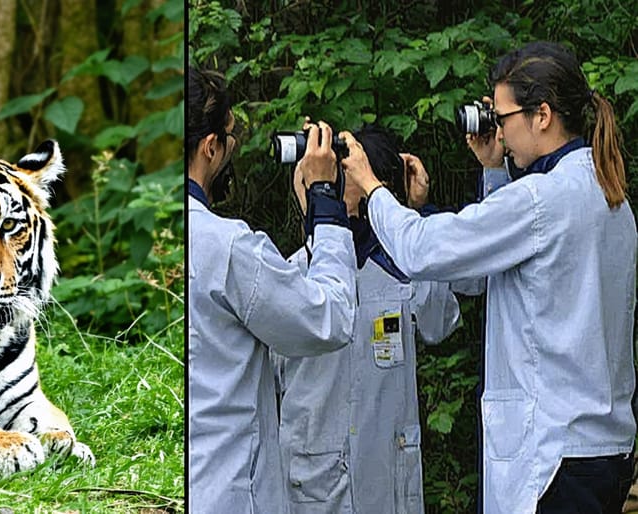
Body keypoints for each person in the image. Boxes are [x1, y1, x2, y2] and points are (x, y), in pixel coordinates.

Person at [341, 41, 637, 514]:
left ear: (542, 115)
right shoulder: (608, 195)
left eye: (502, 118)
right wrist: (494, 171)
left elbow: (421, 251)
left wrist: (371, 187)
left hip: (552, 456)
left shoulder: (541, 199)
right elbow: (485, 274)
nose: (497, 128)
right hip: (602, 449)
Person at [187, 67, 358, 514]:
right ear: (210, 148)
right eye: (229, 136)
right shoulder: (226, 246)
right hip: (228, 492)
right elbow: (329, 319)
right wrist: (324, 201)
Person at [272, 124, 463, 514]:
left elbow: (438, 324)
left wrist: (413, 214)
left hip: (388, 469)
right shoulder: (294, 273)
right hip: (316, 475)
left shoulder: (402, 270)